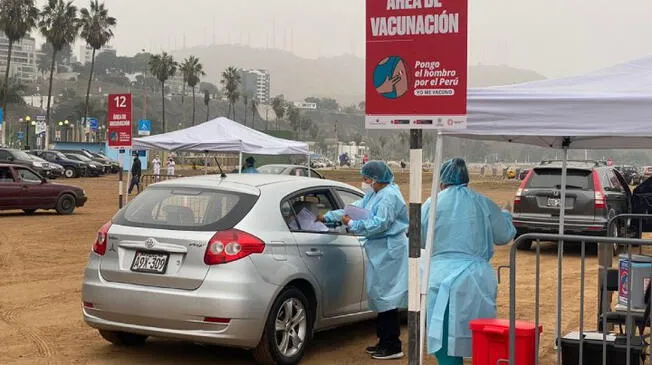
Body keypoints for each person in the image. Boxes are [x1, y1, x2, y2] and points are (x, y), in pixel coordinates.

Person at [420, 158, 516, 365]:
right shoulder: (481, 202)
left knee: (444, 337)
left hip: (439, 277)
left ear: (442, 182)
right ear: (466, 180)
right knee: (481, 337)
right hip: (474, 279)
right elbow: (504, 235)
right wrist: (506, 215)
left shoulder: (431, 203)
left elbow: (418, 238)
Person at [317, 161, 408, 360]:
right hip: (380, 250)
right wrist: (328, 217)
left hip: (390, 250)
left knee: (388, 299)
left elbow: (380, 224)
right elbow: (353, 209)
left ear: (376, 178)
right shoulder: (375, 194)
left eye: (367, 179)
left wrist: (353, 224)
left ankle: (392, 345)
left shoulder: (389, 196)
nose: (364, 182)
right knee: (380, 296)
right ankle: (384, 341)